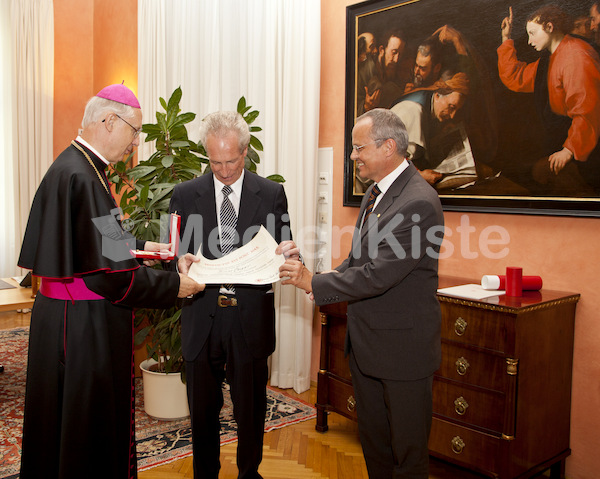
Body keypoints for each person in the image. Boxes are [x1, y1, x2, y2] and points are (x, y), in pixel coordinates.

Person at [17, 84, 205, 479]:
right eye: (134, 131)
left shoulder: (76, 166)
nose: (136, 143)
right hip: (83, 327)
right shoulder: (85, 177)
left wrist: (151, 248)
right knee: (87, 431)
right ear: (108, 121)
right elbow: (113, 276)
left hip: (62, 318)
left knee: (59, 425)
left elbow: (99, 242)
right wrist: (176, 287)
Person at [279, 108, 444, 478]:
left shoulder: (418, 202)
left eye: (358, 148)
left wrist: (315, 283)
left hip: (403, 354)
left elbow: (378, 276)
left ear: (388, 147)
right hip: (368, 348)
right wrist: (320, 281)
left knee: (407, 456)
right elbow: (357, 260)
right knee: (375, 447)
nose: (353, 156)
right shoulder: (375, 192)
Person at [169, 111, 298, 478]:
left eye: (231, 160)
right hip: (201, 316)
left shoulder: (271, 194)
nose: (223, 170)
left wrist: (290, 255)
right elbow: (171, 254)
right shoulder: (184, 194)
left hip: (249, 318)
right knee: (203, 410)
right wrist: (179, 263)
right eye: (215, 161)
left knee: (251, 409)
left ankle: (248, 473)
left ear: (245, 152)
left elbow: (285, 248)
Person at [498, 5, 600, 193]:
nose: (529, 41)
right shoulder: (551, 58)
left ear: (550, 27)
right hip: (564, 146)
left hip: (585, 153)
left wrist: (568, 151)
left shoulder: (577, 55)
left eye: (533, 33)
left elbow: (588, 110)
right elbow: (517, 77)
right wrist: (506, 39)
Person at [390, 71, 473, 187]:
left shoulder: (431, 106)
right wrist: (420, 175)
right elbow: (393, 158)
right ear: (438, 95)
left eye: (456, 110)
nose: (453, 115)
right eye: (451, 107)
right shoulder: (414, 110)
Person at [357, 29, 407, 115]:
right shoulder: (366, 71)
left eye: (400, 54)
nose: (396, 59)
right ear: (381, 50)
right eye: (394, 53)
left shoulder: (397, 72)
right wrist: (366, 107)